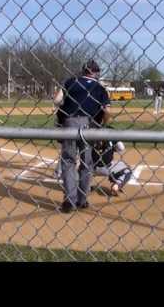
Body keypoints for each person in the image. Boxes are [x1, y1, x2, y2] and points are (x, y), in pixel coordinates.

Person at [53, 59, 111, 213]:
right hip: (89, 125)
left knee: (68, 162)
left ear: (83, 71)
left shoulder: (71, 81)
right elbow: (107, 111)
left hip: (70, 123)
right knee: (86, 164)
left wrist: (67, 105)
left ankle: (69, 201)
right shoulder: (100, 88)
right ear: (96, 73)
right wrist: (101, 125)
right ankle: (82, 200)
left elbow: (57, 100)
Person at [91, 128, 132, 196]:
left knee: (78, 168)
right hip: (108, 168)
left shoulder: (90, 137)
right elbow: (121, 148)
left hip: (90, 168)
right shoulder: (111, 139)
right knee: (128, 170)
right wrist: (113, 146)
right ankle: (117, 185)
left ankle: (83, 186)